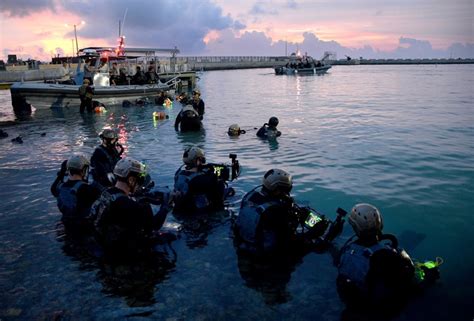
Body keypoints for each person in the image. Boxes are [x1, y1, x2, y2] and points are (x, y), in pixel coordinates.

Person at [336, 203, 441, 313]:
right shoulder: (389, 255)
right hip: (382, 307)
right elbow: (408, 283)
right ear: (380, 224)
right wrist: (428, 276)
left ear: (354, 227)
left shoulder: (346, 252)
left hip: (358, 304)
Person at [234, 169, 344, 257]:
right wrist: (314, 232)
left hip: (244, 243)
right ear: (278, 190)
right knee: (317, 244)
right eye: (286, 190)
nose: (288, 194)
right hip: (263, 254)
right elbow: (288, 243)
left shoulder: (250, 196)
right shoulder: (276, 212)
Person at [91, 158, 172, 259]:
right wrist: (165, 207)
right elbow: (153, 226)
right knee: (170, 237)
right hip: (121, 253)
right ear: (131, 180)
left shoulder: (107, 193)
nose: (140, 182)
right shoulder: (130, 206)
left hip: (103, 245)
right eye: (140, 178)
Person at [50, 155, 101, 232]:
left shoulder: (60, 187)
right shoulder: (87, 189)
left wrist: (62, 172)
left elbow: (53, 188)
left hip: (65, 224)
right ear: (83, 170)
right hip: (83, 229)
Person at [173, 146, 227, 214]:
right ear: (198, 161)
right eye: (201, 159)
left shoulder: (179, 173)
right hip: (198, 213)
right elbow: (218, 188)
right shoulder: (201, 179)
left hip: (180, 208)